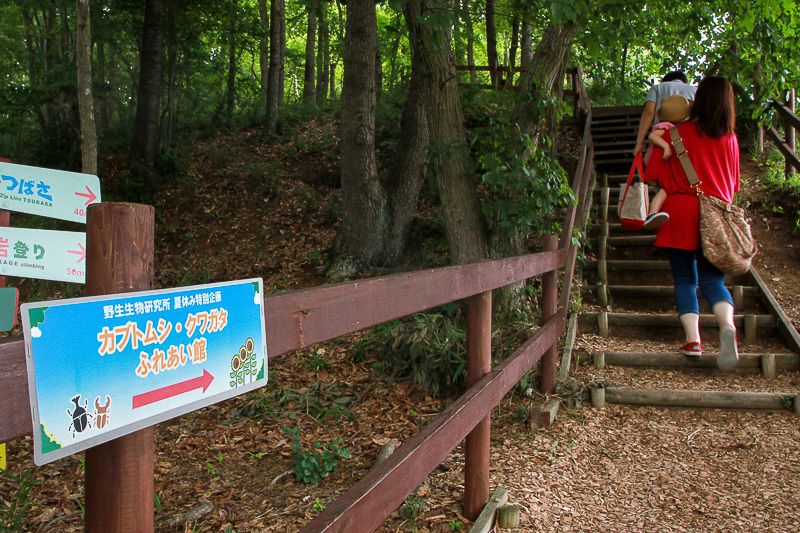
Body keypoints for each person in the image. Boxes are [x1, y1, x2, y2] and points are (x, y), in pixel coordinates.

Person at [643, 75, 740, 370]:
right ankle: (727, 325)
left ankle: (693, 340)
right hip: (715, 217)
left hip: (679, 212)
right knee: (714, 280)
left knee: (685, 279)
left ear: (698, 100)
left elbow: (652, 175)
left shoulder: (675, 133)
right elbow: (733, 186)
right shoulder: (731, 140)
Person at [642, 94, 693, 229]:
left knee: (662, 189)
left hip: (658, 162)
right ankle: (652, 213)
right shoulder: (666, 126)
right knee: (664, 190)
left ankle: (655, 210)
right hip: (657, 162)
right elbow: (652, 136)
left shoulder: (671, 127)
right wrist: (666, 147)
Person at [632, 71, 696, 157]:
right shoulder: (695, 90)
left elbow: (649, 112)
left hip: (661, 141)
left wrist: (639, 143)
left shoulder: (657, 88)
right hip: (688, 140)